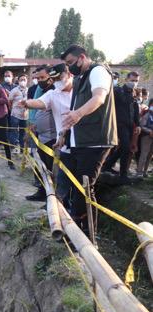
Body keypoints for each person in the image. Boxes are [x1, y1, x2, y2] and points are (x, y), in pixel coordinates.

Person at [61, 45, 118, 236]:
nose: (69, 68)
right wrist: (65, 133)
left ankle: (86, 236)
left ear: (82, 57)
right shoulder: (80, 78)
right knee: (78, 187)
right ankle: (80, 232)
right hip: (81, 140)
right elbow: (74, 107)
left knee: (84, 188)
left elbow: (99, 98)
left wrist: (77, 114)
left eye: (70, 63)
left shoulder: (98, 71)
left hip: (96, 140)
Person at [19, 64, 74, 205]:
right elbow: (40, 102)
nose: (56, 81)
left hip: (78, 141)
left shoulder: (80, 93)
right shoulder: (53, 93)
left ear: (69, 75)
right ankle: (52, 200)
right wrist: (27, 103)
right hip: (60, 141)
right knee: (52, 171)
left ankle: (66, 205)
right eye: (54, 79)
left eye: (59, 78)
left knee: (71, 176)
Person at [102, 71, 140, 183]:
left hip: (129, 125)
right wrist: (131, 94)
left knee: (125, 148)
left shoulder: (134, 93)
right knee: (126, 148)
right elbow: (124, 101)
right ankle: (123, 175)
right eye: (132, 81)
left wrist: (137, 124)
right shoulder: (118, 91)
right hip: (119, 124)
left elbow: (135, 111)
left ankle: (107, 165)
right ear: (126, 80)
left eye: (136, 81)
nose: (134, 83)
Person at [26, 65, 57, 201]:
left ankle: (51, 197)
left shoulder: (56, 90)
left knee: (51, 167)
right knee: (42, 164)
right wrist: (33, 122)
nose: (39, 80)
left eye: (42, 77)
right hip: (41, 134)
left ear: (51, 76)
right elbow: (35, 106)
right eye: (37, 78)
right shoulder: (40, 89)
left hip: (53, 137)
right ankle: (42, 191)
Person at [8, 74, 29, 150]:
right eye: (21, 80)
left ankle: (22, 148)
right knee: (14, 131)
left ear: (27, 81)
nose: (23, 81)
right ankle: (12, 147)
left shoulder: (29, 90)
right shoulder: (14, 90)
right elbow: (9, 101)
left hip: (25, 116)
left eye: (24, 80)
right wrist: (12, 109)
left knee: (22, 132)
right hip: (15, 114)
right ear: (18, 81)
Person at [136, 98, 153, 177]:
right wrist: (150, 131)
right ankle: (139, 172)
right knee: (144, 154)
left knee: (150, 155)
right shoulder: (147, 114)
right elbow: (142, 126)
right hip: (146, 136)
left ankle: (145, 172)